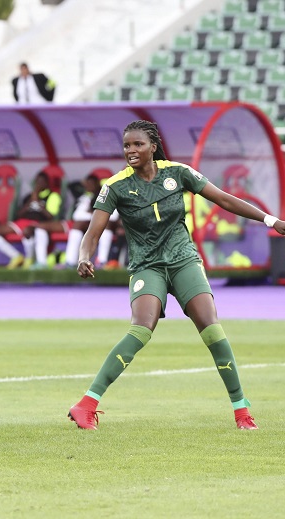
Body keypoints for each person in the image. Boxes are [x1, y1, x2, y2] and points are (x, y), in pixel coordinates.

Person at [68, 120, 285, 431]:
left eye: (138, 144)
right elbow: (92, 232)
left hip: (184, 260)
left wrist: (269, 219)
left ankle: (241, 411)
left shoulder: (177, 172)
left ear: (153, 147)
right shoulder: (115, 186)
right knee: (141, 330)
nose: (131, 150)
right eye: (127, 145)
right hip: (147, 266)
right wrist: (84, 257)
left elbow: (223, 199)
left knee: (212, 330)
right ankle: (86, 405)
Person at [0, 170, 64, 269]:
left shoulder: (53, 196)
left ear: (47, 183)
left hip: (39, 223)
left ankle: (29, 259)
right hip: (22, 221)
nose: (39, 184)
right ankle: (16, 256)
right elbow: (18, 214)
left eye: (41, 182)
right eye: (37, 182)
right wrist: (30, 201)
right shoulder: (29, 196)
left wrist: (39, 203)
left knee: (27, 232)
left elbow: (51, 217)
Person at [63, 173, 119, 268]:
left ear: (97, 184)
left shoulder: (109, 194)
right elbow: (77, 215)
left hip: (108, 225)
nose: (88, 186)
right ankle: (70, 261)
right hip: (90, 224)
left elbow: (113, 217)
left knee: (106, 225)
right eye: (87, 184)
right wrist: (95, 216)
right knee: (77, 225)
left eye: (91, 184)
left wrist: (95, 215)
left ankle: (102, 262)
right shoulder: (86, 197)